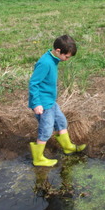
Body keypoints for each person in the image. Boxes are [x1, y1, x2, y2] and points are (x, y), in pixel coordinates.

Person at [28, 35, 86, 167]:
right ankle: (38, 158)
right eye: (67, 57)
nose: (67, 59)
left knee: (61, 122)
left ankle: (68, 147)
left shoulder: (54, 59)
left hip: (50, 101)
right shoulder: (45, 63)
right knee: (46, 130)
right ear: (58, 51)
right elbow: (33, 83)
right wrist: (36, 104)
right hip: (43, 105)